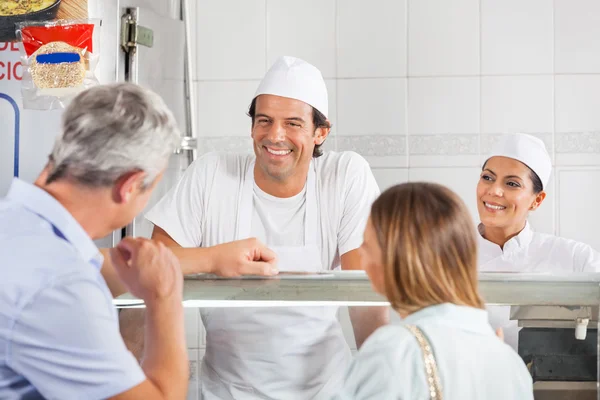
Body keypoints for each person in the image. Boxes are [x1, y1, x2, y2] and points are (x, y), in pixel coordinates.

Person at [131, 55, 389, 399]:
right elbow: (154, 266)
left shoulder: (343, 177)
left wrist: (380, 387)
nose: (274, 135)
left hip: (325, 391)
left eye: (293, 123)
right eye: (263, 121)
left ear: (321, 133)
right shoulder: (212, 175)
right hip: (226, 391)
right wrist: (213, 259)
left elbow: (364, 296)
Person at [0, 83, 190, 399]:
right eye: (151, 187)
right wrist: (164, 296)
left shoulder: (15, 224)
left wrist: (212, 259)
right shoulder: (60, 285)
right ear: (130, 185)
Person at [333, 182, 534, 400]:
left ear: (400, 255)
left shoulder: (394, 351)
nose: (361, 253)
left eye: (368, 242)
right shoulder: (510, 364)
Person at [476, 133, 600, 348]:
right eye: (487, 177)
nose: (494, 190)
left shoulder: (576, 258)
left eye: (512, 183)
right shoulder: (444, 256)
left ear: (537, 200)